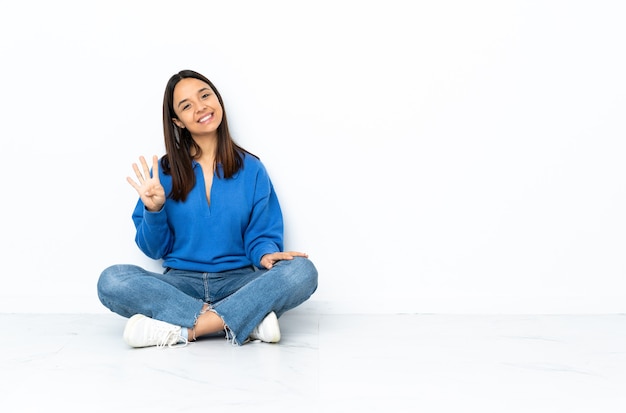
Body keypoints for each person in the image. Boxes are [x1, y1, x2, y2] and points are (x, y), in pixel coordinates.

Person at [97, 69, 318, 348]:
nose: (201, 107)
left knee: (302, 271)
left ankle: (183, 330)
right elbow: (154, 250)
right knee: (112, 280)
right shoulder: (163, 173)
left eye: (205, 95)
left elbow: (262, 234)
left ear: (218, 100)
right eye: (186, 105)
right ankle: (244, 321)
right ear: (177, 121)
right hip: (180, 286)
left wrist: (265, 254)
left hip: (239, 283)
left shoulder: (252, 169)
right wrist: (154, 210)